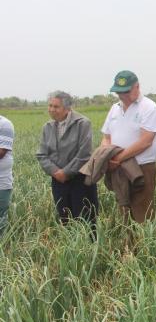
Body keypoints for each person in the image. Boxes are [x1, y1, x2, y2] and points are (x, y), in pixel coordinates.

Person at [100, 71, 156, 222]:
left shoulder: (149, 107)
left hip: (141, 168)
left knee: (142, 212)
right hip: (119, 170)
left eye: (127, 91)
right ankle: (128, 246)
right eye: (119, 93)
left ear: (137, 87)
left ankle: (146, 245)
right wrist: (108, 155)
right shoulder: (115, 108)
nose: (124, 96)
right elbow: (106, 137)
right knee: (124, 213)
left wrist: (118, 158)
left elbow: (146, 141)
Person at [36, 91, 99, 233]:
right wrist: (55, 172)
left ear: (67, 108)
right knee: (65, 219)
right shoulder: (48, 126)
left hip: (80, 179)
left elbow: (84, 154)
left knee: (86, 220)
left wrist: (66, 172)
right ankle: (71, 251)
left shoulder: (82, 123)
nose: (51, 109)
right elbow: (42, 154)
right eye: (50, 105)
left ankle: (89, 251)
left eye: (56, 107)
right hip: (58, 181)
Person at [0, 114, 13, 237]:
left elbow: (1, 152)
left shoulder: (4, 124)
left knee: (0, 218)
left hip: (1, 182)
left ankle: (2, 250)